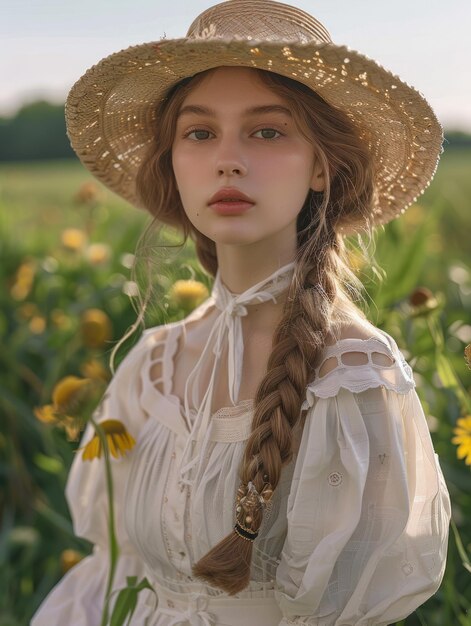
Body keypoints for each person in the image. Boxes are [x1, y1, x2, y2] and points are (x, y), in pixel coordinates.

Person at [32, 1, 451, 624]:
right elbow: (110, 575)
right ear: (173, 165)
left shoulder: (353, 371)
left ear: (320, 165)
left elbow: (355, 605)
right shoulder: (152, 363)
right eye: (199, 133)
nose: (228, 159)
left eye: (267, 131)